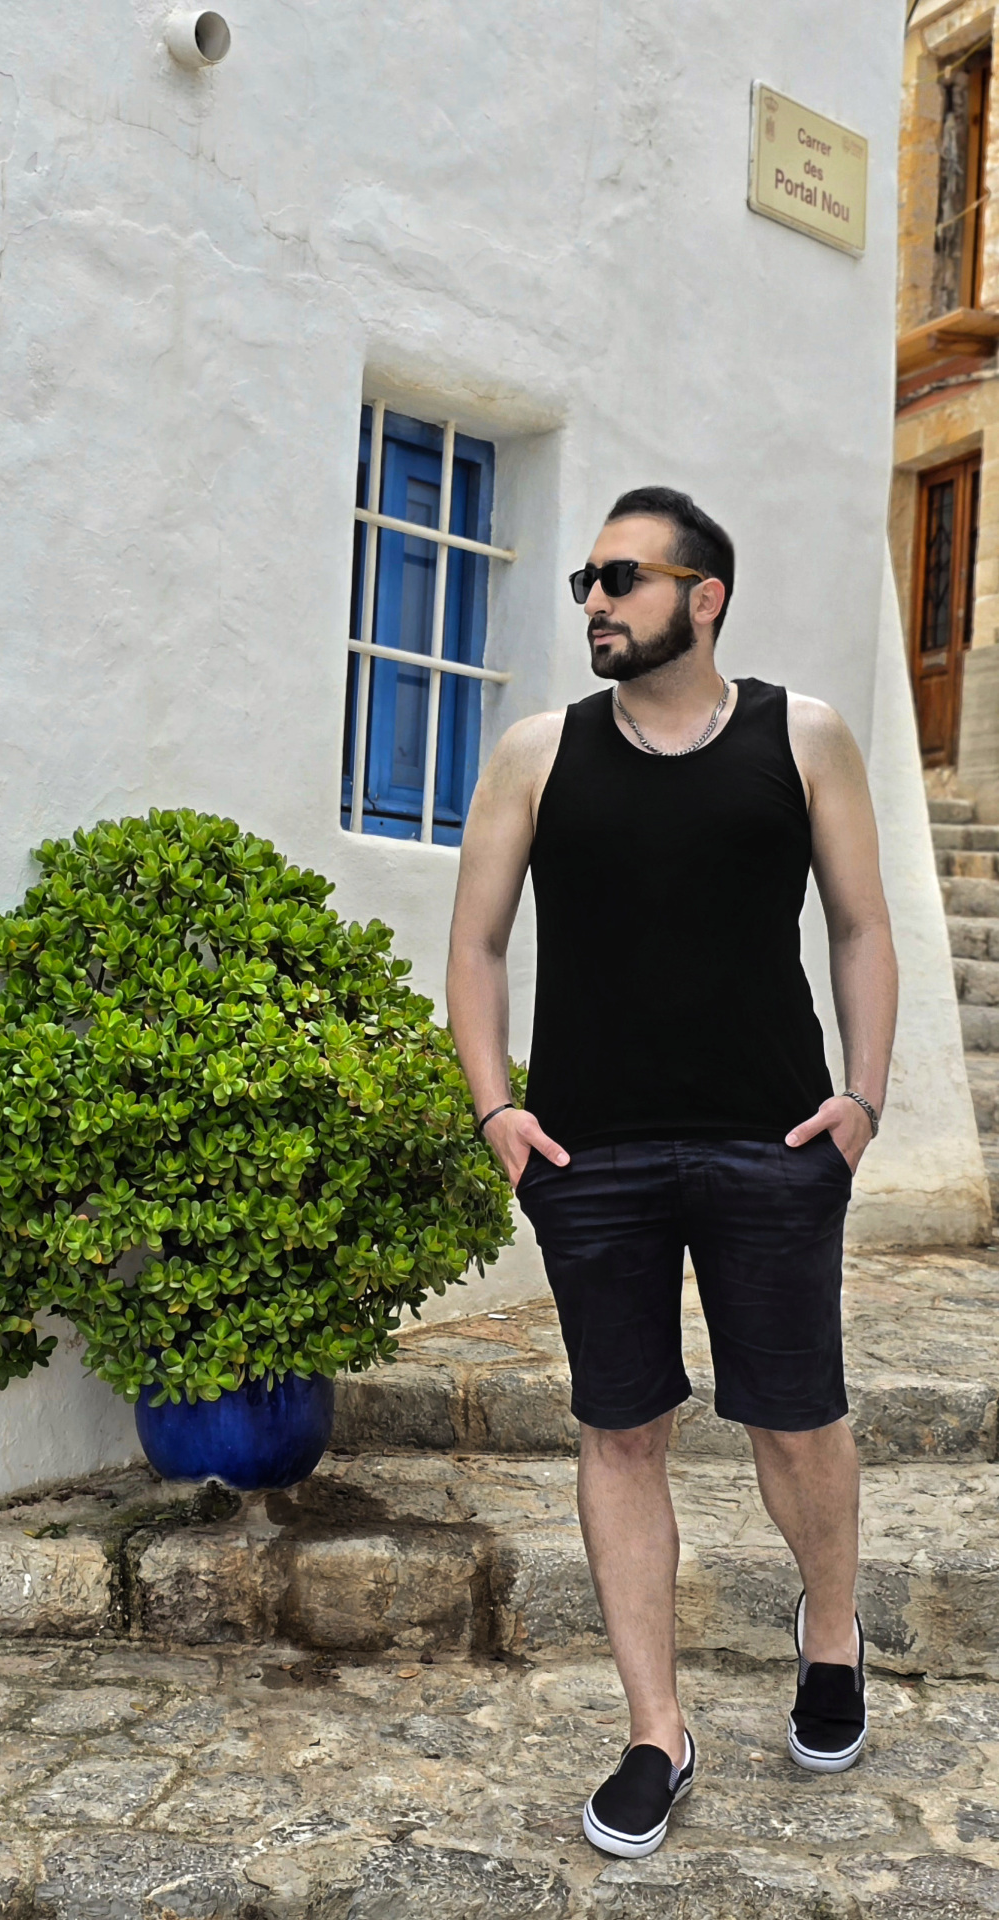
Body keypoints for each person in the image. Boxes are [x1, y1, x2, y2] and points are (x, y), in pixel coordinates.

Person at [446, 486, 897, 1859]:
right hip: (590, 1154)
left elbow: (861, 925)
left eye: (621, 577)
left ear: (704, 597)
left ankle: (832, 1635)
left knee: (796, 1418)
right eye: (585, 579)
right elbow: (475, 944)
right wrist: (495, 1107)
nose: (593, 599)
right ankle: (657, 1731)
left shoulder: (801, 735)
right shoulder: (538, 754)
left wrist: (862, 1099)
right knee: (619, 1431)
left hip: (774, 1141)